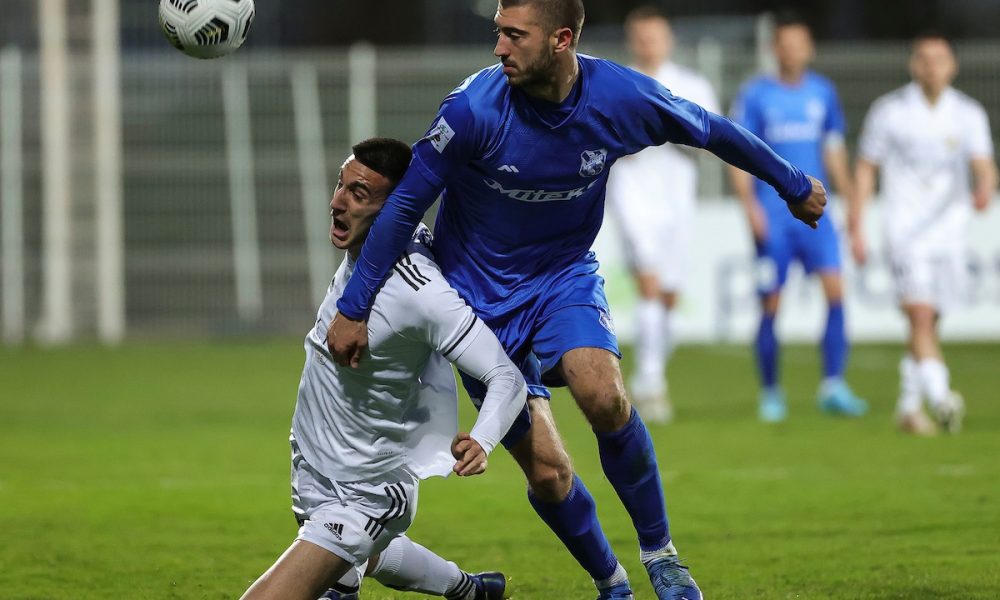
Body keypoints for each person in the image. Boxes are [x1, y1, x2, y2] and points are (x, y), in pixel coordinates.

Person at [328, 2, 827, 599]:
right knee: (548, 472)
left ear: (561, 39)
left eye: (515, 35)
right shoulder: (472, 110)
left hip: (562, 278)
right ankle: (612, 583)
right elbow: (407, 204)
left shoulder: (620, 97)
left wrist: (792, 183)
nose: (499, 48)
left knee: (604, 396)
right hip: (478, 304)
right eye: (498, 33)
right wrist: (354, 307)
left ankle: (662, 556)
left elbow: (709, 128)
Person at [240, 138, 525, 600]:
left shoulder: (420, 290)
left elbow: (506, 377)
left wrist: (484, 440)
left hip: (367, 489)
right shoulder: (366, 249)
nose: (337, 201)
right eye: (340, 185)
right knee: (365, 557)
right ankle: (472, 591)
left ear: (395, 208)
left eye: (358, 194)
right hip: (312, 460)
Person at [851, 33, 997, 435]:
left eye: (940, 59)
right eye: (924, 59)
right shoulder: (890, 111)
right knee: (919, 314)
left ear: (952, 66)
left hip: (950, 232)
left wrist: (985, 187)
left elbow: (983, 164)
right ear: (913, 65)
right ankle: (941, 397)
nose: (932, 67)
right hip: (905, 231)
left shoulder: (967, 113)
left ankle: (908, 407)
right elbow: (866, 168)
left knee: (931, 321)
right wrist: (856, 223)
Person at [728, 13, 867, 422]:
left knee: (836, 291)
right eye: (784, 45)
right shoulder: (755, 94)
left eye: (797, 45)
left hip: (818, 213)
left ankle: (833, 385)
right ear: (775, 49)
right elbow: (737, 152)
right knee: (771, 301)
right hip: (774, 216)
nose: (790, 52)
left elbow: (833, 151)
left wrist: (851, 200)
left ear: (809, 49)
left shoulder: (823, 93)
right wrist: (750, 206)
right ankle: (771, 393)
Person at [605, 6, 721, 423]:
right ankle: (652, 385)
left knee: (670, 294)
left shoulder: (693, 85)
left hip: (678, 195)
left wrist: (673, 130)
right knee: (650, 285)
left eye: (654, 36)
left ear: (668, 40)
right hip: (632, 192)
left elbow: (711, 139)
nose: (648, 44)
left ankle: (647, 376)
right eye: (640, 37)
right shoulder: (616, 83)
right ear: (631, 40)